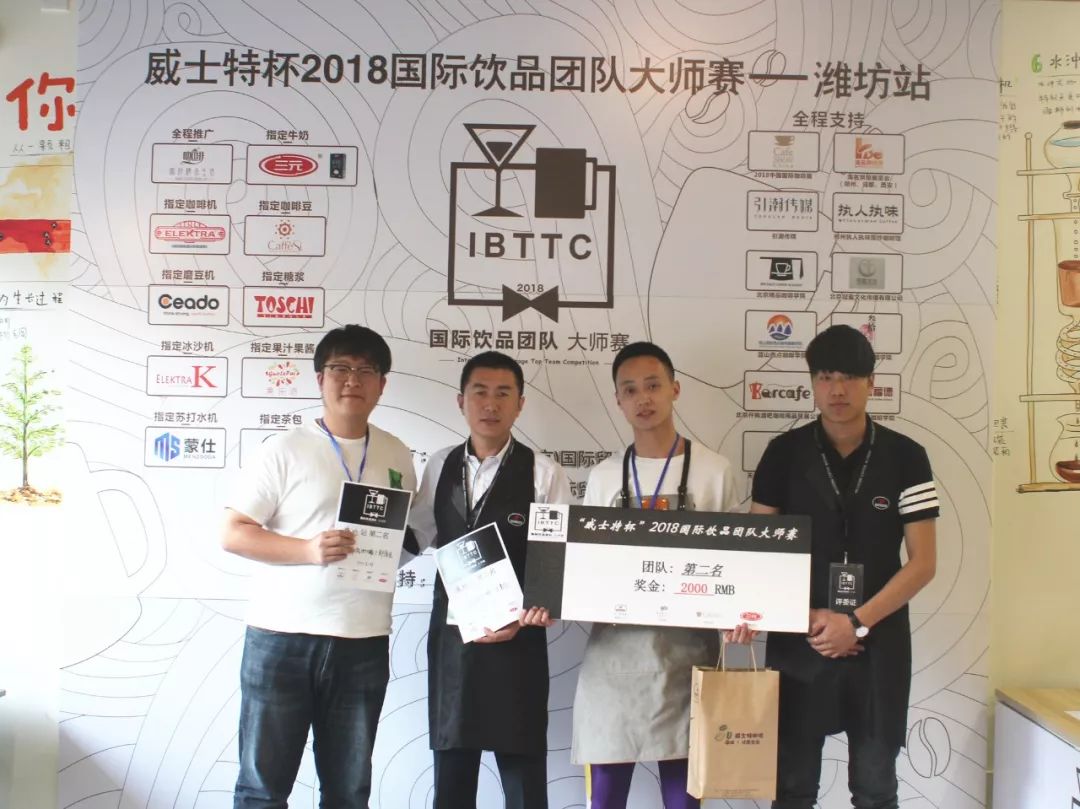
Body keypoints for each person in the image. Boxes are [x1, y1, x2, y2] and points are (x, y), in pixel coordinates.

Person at [222, 325, 417, 809]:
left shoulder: (396, 453)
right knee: (263, 789)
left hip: (363, 640)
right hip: (281, 638)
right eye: (340, 368)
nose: (353, 379)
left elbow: (405, 538)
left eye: (366, 370)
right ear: (319, 379)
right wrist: (308, 550)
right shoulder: (284, 449)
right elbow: (234, 532)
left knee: (348, 792)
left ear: (382, 384)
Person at [750, 324, 938, 809]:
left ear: (871, 382)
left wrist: (855, 622)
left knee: (876, 790)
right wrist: (811, 618)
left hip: (878, 643)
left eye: (850, 377)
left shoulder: (907, 457)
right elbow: (758, 554)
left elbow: (923, 563)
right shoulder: (782, 454)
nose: (837, 389)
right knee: (791, 791)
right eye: (826, 377)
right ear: (812, 383)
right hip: (800, 639)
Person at [552, 341, 741, 809]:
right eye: (630, 390)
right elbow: (583, 566)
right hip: (613, 661)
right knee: (605, 800)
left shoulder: (714, 471)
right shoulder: (604, 477)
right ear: (618, 400)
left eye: (653, 385)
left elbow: (738, 566)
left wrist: (742, 613)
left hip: (688, 659)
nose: (643, 398)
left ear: (675, 389)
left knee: (683, 801)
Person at [408, 351, 571, 809]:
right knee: (452, 784)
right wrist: (360, 554)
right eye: (480, 392)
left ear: (520, 404)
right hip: (454, 643)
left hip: (517, 643)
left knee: (524, 786)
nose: (490, 404)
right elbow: (417, 534)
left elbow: (556, 561)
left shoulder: (543, 473)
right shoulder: (440, 465)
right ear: (461, 400)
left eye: (503, 393)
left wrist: (528, 614)